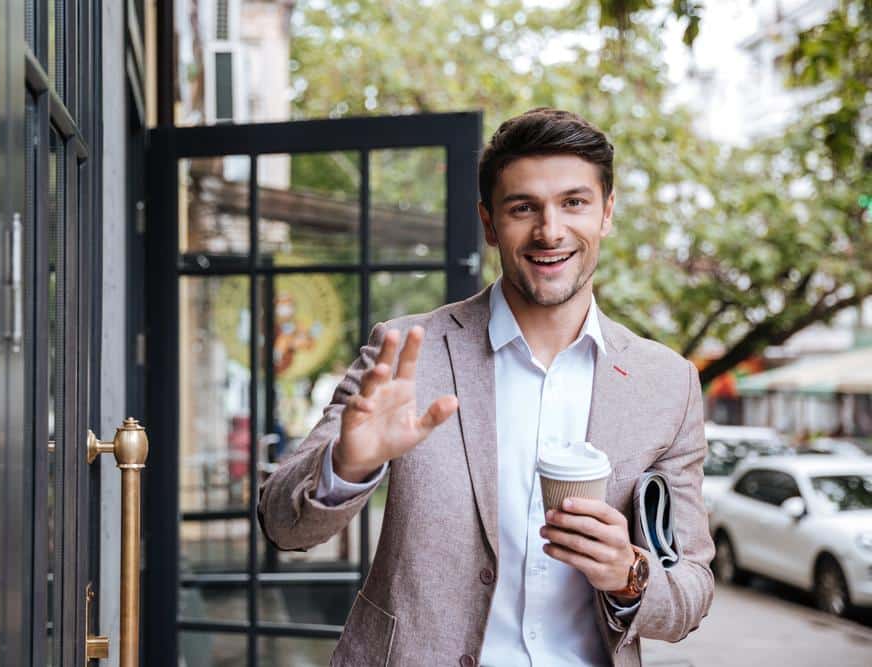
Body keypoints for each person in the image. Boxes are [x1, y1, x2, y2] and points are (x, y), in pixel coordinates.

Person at [258, 108, 714, 666]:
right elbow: (283, 525)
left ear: (607, 213)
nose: (550, 231)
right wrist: (346, 467)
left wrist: (630, 575)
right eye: (524, 208)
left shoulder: (667, 384)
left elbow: (692, 588)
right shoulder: (404, 351)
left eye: (574, 203)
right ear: (490, 223)